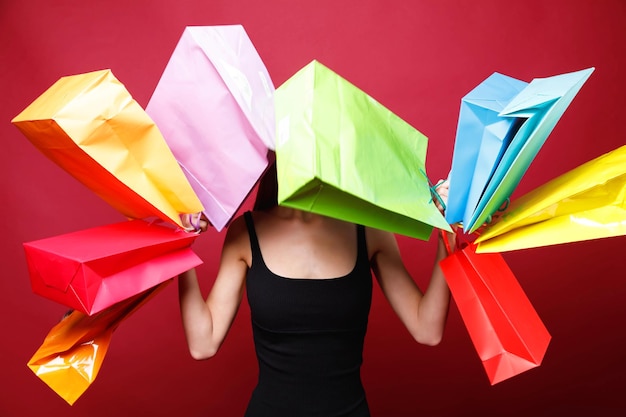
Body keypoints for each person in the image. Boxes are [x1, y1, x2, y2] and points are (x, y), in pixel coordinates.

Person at [178, 161, 455, 417]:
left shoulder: (368, 229)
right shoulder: (246, 232)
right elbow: (204, 344)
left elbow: (427, 329)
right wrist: (179, 243)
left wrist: (448, 233)